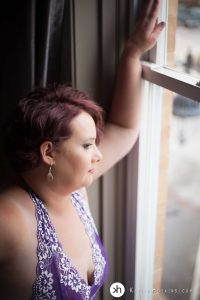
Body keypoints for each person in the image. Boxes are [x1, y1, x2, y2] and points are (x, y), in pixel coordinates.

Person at [0, 0, 165, 299]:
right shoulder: (9, 218)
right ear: (49, 153)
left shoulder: (73, 188)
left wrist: (131, 54)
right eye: (88, 145)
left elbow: (124, 129)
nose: (98, 154)